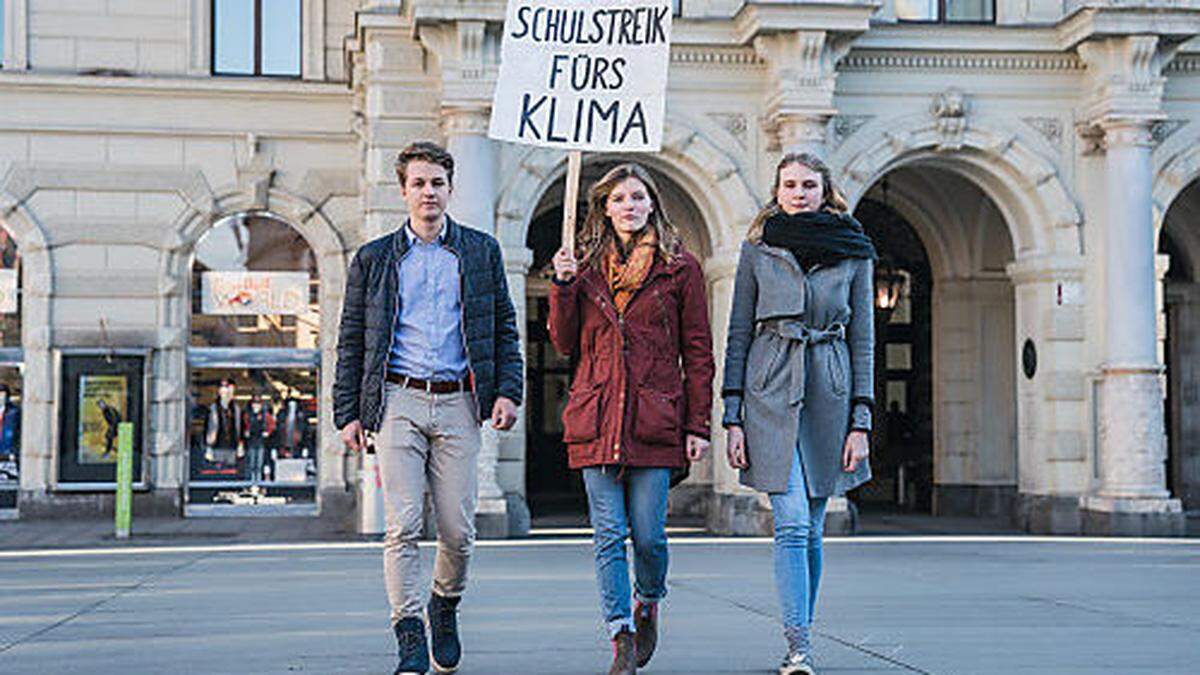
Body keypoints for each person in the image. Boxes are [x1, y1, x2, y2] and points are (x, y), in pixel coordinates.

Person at [334, 141, 523, 675]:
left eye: (437, 182)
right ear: (404, 191)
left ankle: (445, 604)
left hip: (461, 400)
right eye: (418, 183)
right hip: (398, 400)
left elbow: (505, 328)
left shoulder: (480, 252)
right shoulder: (374, 259)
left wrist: (507, 391)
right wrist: (347, 412)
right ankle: (409, 631)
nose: (428, 192)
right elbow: (351, 340)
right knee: (403, 524)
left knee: (459, 531)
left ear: (450, 188)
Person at [549, 163, 714, 675]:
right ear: (604, 207)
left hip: (654, 416)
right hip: (596, 416)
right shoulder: (585, 265)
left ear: (651, 204)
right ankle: (619, 632)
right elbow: (563, 341)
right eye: (619, 198)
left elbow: (699, 350)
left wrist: (698, 425)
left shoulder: (679, 266)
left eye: (637, 197)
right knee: (606, 536)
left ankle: (649, 600)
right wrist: (561, 285)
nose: (629, 206)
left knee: (649, 537)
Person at [721, 152, 876, 675]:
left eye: (808, 184)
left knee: (811, 527)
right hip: (770, 389)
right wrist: (733, 412)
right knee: (788, 522)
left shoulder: (855, 251)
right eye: (789, 184)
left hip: (829, 392)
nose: (798, 192)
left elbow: (864, 341)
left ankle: (800, 639)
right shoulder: (758, 250)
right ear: (777, 190)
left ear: (824, 190)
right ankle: (798, 646)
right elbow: (738, 332)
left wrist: (862, 420)